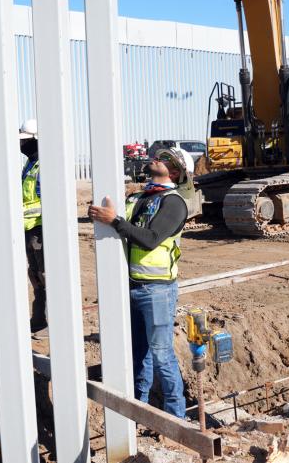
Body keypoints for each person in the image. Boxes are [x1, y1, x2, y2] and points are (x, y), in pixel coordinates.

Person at [87, 148, 191, 419]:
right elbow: (121, 229)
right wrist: (103, 217)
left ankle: (176, 417)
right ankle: (139, 412)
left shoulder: (174, 202)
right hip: (132, 286)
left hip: (156, 290)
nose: (156, 158)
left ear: (175, 172)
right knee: (138, 355)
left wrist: (115, 221)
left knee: (161, 354)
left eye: (164, 159)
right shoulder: (142, 197)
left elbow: (150, 238)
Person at [19, 118, 48, 332]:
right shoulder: (31, 163)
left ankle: (48, 323)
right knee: (36, 276)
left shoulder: (45, 164)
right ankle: (38, 321)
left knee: (46, 276)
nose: (22, 145)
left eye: (26, 140)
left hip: (41, 229)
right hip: (29, 229)